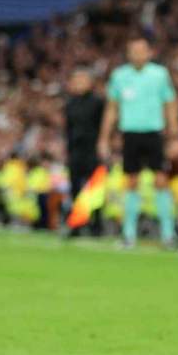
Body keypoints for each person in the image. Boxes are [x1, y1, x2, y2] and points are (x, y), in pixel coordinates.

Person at [97, 36, 178, 249]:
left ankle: (168, 234)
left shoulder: (159, 74)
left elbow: (170, 103)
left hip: (154, 132)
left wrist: (175, 134)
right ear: (128, 54)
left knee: (161, 180)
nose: (137, 55)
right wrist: (104, 138)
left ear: (149, 53)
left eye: (141, 51)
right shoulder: (119, 76)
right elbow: (111, 108)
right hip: (130, 133)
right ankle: (129, 235)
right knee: (131, 182)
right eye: (133, 51)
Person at [64, 68, 104, 236]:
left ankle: (96, 224)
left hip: (92, 149)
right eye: (76, 80)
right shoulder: (70, 103)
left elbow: (102, 126)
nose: (78, 84)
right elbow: (68, 128)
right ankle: (77, 223)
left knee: (94, 187)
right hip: (75, 149)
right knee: (75, 187)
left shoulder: (97, 102)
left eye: (82, 80)